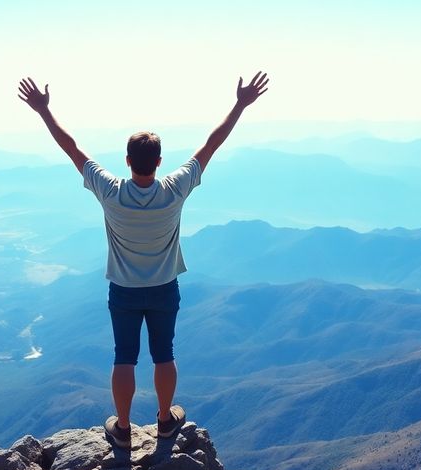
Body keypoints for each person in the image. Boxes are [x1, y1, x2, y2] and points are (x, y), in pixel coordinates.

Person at [18, 71, 269, 448]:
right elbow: (210, 145)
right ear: (159, 161)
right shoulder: (175, 189)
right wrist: (240, 105)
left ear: (127, 160)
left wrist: (43, 111)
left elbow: (72, 149)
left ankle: (122, 428)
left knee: (124, 357)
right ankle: (165, 420)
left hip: (124, 289)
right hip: (165, 287)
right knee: (164, 354)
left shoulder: (111, 191)